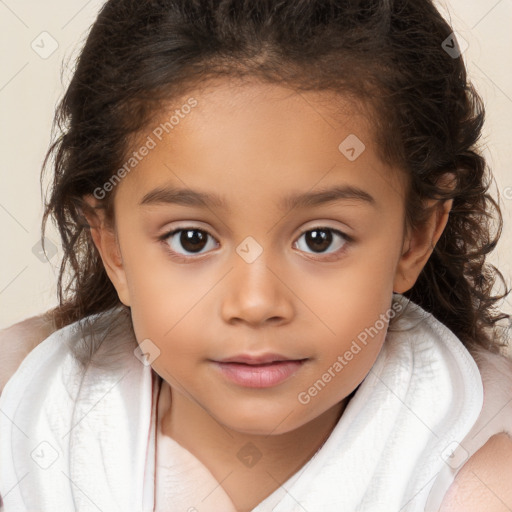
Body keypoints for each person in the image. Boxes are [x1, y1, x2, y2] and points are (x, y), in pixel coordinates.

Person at [1, 1, 512, 510]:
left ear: (414, 236)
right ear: (111, 244)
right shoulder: (25, 410)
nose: (255, 302)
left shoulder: (479, 472)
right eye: (191, 239)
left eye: (320, 239)